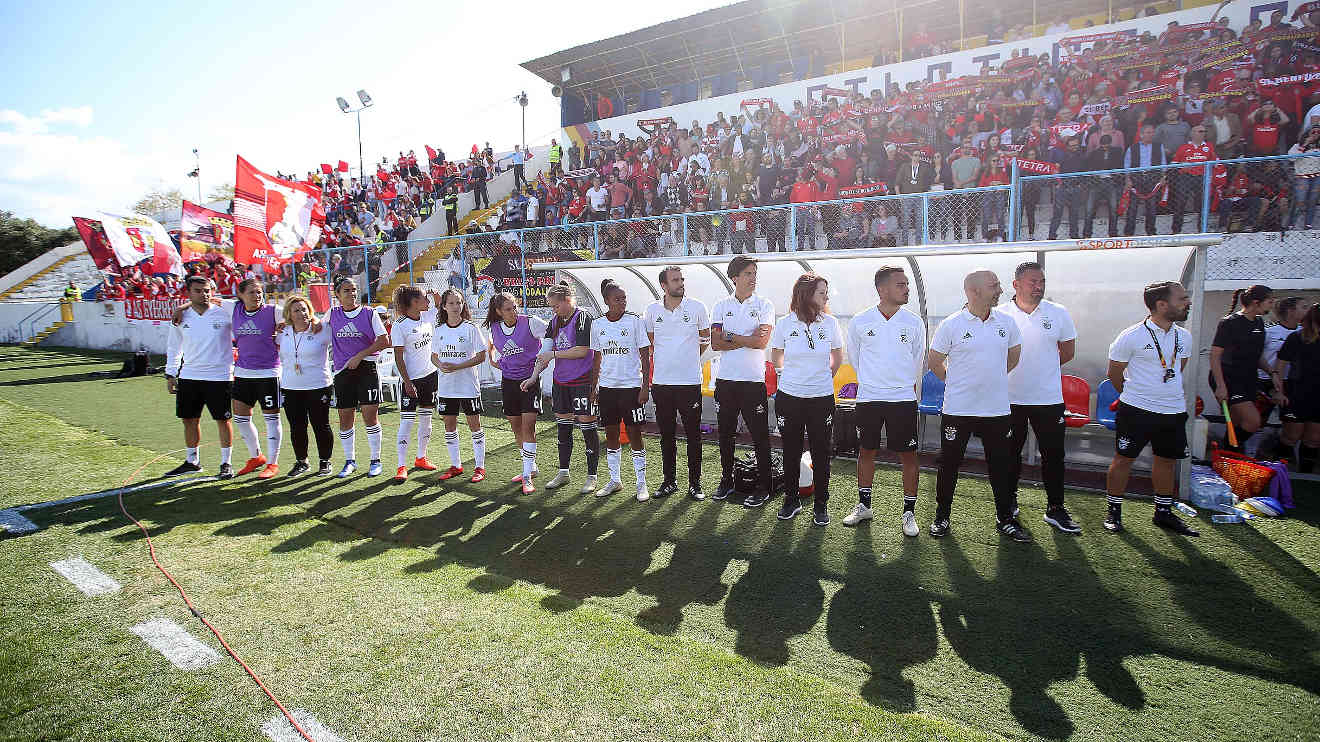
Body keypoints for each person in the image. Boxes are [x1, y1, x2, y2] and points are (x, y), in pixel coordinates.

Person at [927, 270, 1030, 542]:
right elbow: (935, 361)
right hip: (958, 410)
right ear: (973, 292)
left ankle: (1005, 518)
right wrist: (957, 382)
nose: (999, 289)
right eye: (993, 286)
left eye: (997, 284)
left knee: (1002, 465)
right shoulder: (952, 324)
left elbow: (1014, 356)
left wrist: (991, 380)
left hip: (996, 410)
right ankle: (942, 515)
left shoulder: (1006, 323)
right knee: (949, 464)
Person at [1104, 281, 1200, 536]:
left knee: (1166, 460)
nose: (1187, 303)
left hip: (1173, 410)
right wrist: (1134, 394)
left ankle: (1163, 513)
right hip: (1136, 410)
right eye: (1182, 299)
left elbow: (1178, 368)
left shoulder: (1184, 336)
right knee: (1124, 459)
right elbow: (1114, 373)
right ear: (1161, 304)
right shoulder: (1131, 336)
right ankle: (1113, 512)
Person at [842, 265, 925, 535]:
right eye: (901, 284)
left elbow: (917, 360)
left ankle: (909, 512)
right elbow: (855, 358)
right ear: (883, 289)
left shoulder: (913, 322)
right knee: (867, 451)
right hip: (869, 398)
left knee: (908, 455)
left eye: (906, 284)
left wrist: (898, 384)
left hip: (902, 398)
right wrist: (874, 382)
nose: (906, 288)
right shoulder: (860, 321)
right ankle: (864, 506)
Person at [999, 262, 1081, 534]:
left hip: (1048, 399)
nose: (1039, 286)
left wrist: (1042, 369)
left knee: (1054, 455)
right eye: (1033, 281)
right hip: (1009, 399)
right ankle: (1008, 504)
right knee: (1010, 455)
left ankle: (1055, 509)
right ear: (1016, 285)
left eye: (1042, 281)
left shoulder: (1058, 313)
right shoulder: (1000, 315)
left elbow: (1067, 352)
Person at [770, 273, 844, 526]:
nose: (826, 296)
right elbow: (776, 353)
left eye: (826, 292)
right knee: (790, 451)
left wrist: (822, 378)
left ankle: (821, 504)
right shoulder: (784, 323)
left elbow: (837, 357)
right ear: (805, 294)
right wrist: (786, 375)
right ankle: (791, 500)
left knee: (822, 453)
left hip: (821, 398)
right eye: (821, 292)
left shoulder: (831, 324)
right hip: (789, 398)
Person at [524, 284, 601, 493]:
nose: (553, 310)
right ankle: (563, 472)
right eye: (551, 307)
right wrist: (533, 377)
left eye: (556, 306)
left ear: (568, 300)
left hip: (582, 381)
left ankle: (592, 476)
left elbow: (583, 351)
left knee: (587, 428)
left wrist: (555, 355)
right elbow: (546, 352)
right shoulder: (554, 322)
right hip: (561, 382)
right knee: (563, 427)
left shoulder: (583, 317)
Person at [711, 255, 775, 507]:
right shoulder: (720, 305)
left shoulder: (765, 304)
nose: (753, 278)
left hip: (752, 381)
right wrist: (744, 338)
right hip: (725, 381)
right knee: (725, 434)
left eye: (755, 273)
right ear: (735, 277)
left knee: (759, 435)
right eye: (748, 273)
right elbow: (715, 343)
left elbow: (761, 343)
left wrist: (731, 336)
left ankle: (764, 485)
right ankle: (726, 480)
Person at [644, 266, 711, 500]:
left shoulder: (697, 307)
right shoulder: (652, 310)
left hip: (689, 382)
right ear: (664, 285)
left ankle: (695, 484)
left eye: (682, 279)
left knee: (693, 435)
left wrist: (688, 358)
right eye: (675, 280)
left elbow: (705, 339)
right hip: (661, 383)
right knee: (667, 436)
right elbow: (651, 342)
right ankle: (669, 481)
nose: (681, 283)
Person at [163, 276, 235, 478]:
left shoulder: (224, 312)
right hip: (189, 376)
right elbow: (173, 347)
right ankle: (192, 460)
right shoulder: (180, 317)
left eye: (207, 290)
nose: (204, 294)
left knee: (223, 420)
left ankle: (226, 463)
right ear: (189, 293)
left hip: (220, 376)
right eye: (198, 291)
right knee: (189, 419)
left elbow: (245, 304)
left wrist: (183, 305)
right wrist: (171, 374)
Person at [590, 279, 652, 501]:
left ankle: (641, 484)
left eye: (624, 298)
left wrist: (645, 386)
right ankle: (615, 480)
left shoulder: (635, 322)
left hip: (631, 388)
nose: (622, 302)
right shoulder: (597, 325)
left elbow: (645, 356)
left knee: (635, 434)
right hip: (607, 389)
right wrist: (594, 387)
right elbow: (597, 359)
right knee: (611, 434)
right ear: (607, 301)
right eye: (617, 298)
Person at [485, 292, 549, 494]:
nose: (513, 312)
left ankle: (527, 476)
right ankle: (532, 467)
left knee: (528, 427)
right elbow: (492, 347)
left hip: (530, 381)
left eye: (514, 307)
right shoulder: (494, 328)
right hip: (509, 382)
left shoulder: (531, 322)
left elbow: (551, 337)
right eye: (508, 309)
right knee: (516, 428)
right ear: (498, 312)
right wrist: (493, 359)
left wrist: (541, 364)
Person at [327, 275, 390, 478]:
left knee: (370, 416)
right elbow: (314, 329)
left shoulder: (368, 313)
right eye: (346, 290)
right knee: (345, 418)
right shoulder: (332, 314)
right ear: (337, 294)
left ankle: (375, 460)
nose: (352, 293)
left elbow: (383, 340)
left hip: (367, 370)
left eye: (353, 289)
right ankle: (349, 461)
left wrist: (360, 356)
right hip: (342, 372)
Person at [431, 288, 489, 482]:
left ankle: (480, 467)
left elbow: (482, 356)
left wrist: (458, 366)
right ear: (444, 306)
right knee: (449, 426)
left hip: (468, 386)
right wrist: (440, 365)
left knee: (475, 425)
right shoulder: (439, 330)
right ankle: (456, 465)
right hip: (447, 386)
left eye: (459, 303)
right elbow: (434, 356)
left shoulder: (471, 328)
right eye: (452, 303)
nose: (456, 307)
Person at [228, 279, 283, 479]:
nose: (257, 296)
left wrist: (285, 326)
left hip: (268, 373)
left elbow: (297, 312)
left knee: (271, 418)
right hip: (242, 372)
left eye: (259, 292)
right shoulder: (233, 309)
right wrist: (183, 307)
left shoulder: (273, 311)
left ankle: (272, 463)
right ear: (241, 295)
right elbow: (207, 301)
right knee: (241, 418)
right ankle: (256, 457)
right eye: (252, 292)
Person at [1209, 285, 1274, 451]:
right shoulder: (1229, 322)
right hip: (1229, 378)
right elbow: (1215, 355)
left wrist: (1273, 373)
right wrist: (1221, 386)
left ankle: (1228, 457)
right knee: (1253, 422)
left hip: (1249, 378)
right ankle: (1228, 452)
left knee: (1239, 423)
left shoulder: (1259, 322)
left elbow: (1257, 355)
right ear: (1255, 302)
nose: (1272, 304)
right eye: (1269, 301)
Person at [277, 296, 334, 476]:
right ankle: (302, 462)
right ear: (289, 315)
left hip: (318, 386)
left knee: (321, 425)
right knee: (297, 426)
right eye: (296, 310)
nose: (301, 313)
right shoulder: (282, 331)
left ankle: (325, 462)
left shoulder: (322, 329)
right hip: (290, 387)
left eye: (304, 309)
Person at [389, 285, 440, 482]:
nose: (427, 301)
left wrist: (431, 293)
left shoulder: (427, 317)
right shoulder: (399, 325)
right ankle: (401, 465)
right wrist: (407, 382)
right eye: (423, 298)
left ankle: (421, 457)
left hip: (430, 376)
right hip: (411, 381)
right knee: (407, 422)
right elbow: (398, 358)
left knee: (427, 419)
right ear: (413, 303)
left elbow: (437, 302)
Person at [1272, 302, 1320, 472]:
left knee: (1314, 439)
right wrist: (1279, 391)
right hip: (1297, 394)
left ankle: (1305, 476)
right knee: (1291, 435)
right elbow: (1279, 366)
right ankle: (1279, 473)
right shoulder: (1296, 338)